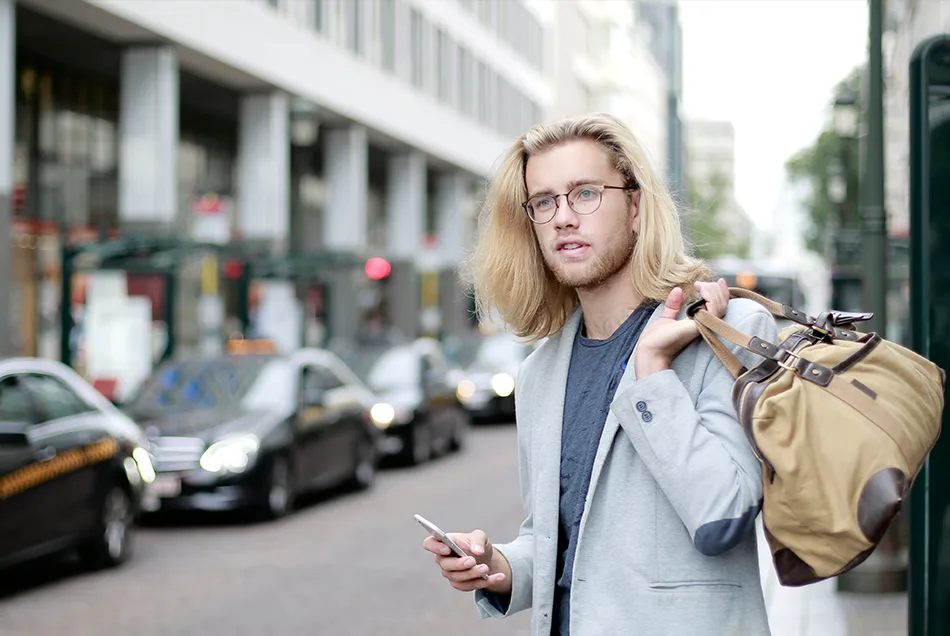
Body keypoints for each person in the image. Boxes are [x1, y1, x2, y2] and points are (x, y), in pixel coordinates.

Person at [421, 113, 777, 636]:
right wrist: (497, 567)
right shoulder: (542, 372)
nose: (564, 217)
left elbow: (722, 515)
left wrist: (652, 371)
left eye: (585, 193)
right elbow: (557, 543)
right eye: (545, 202)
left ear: (635, 207)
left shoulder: (726, 332)